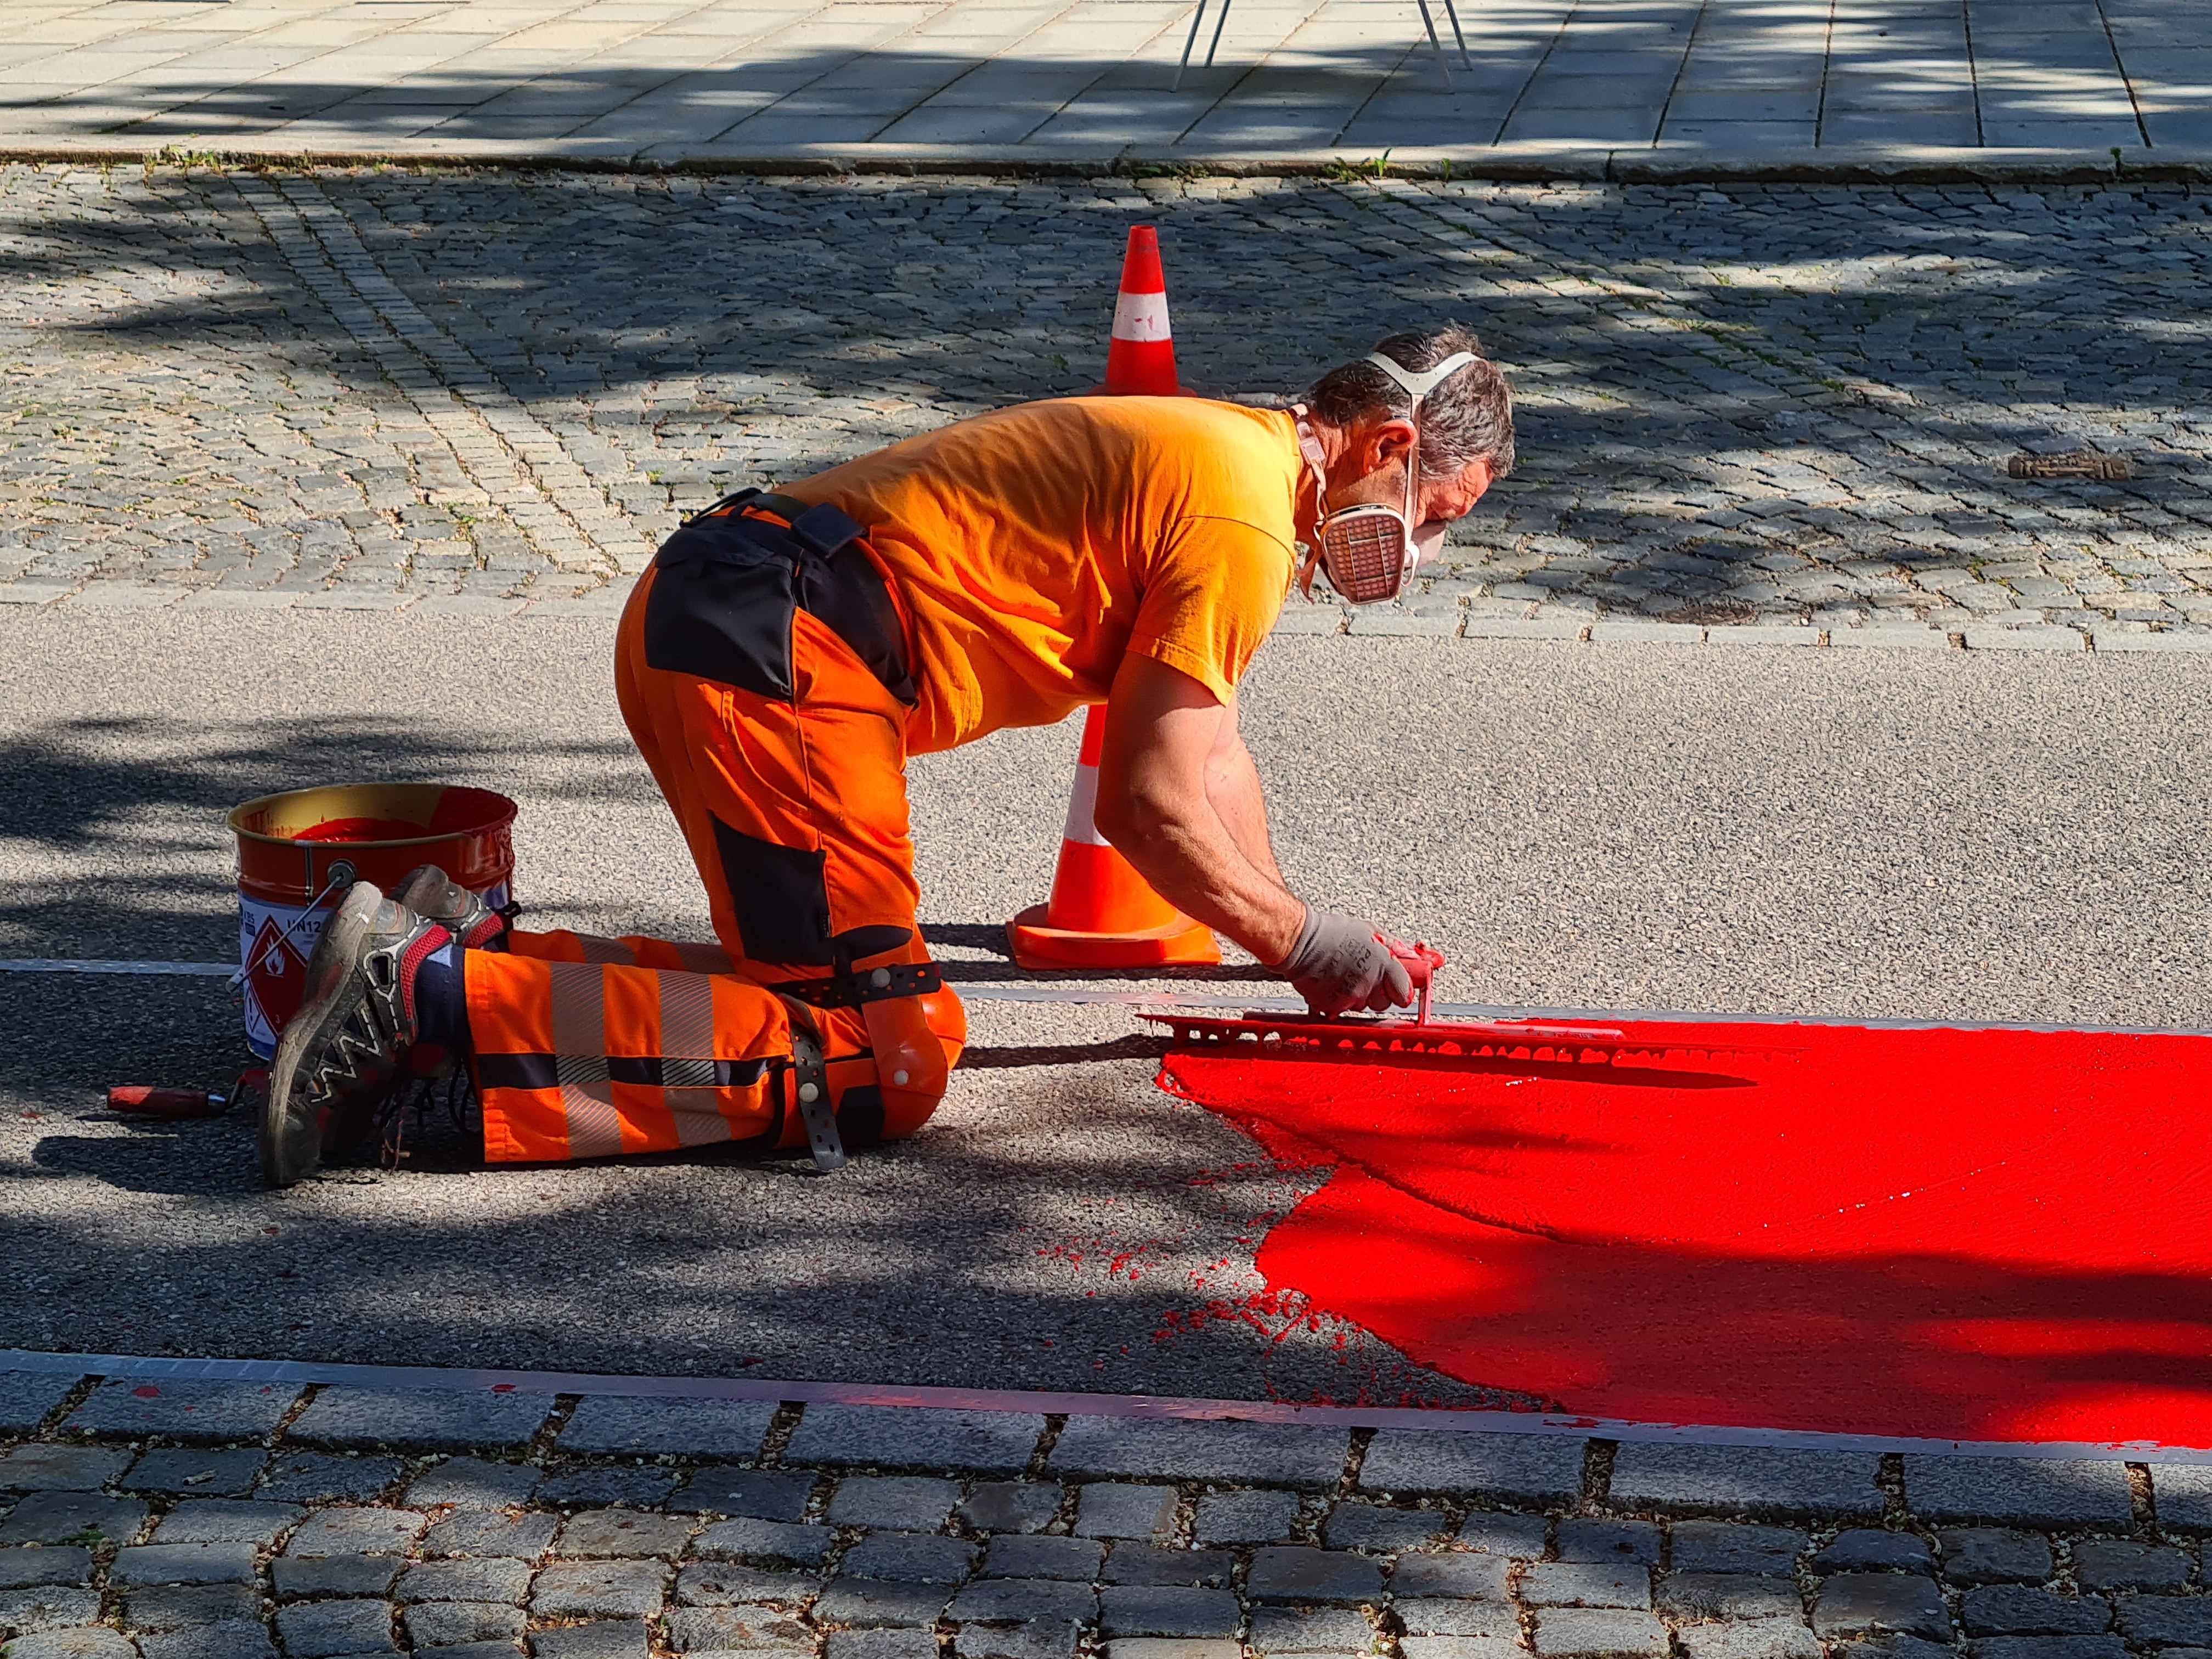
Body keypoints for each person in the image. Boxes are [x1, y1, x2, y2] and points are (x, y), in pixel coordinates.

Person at [259, 325, 1516, 1187]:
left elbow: (1209, 754)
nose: (1422, 552)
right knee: (884, 1060)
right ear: (1391, 449)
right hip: (786, 652)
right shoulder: (1244, 515)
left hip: (725, 615)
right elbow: (1147, 805)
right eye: (1439, 519)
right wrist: (1308, 945)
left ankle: (462, 974)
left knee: (798, 995)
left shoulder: (1231, 458)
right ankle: (428, 1001)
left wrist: (1298, 939)